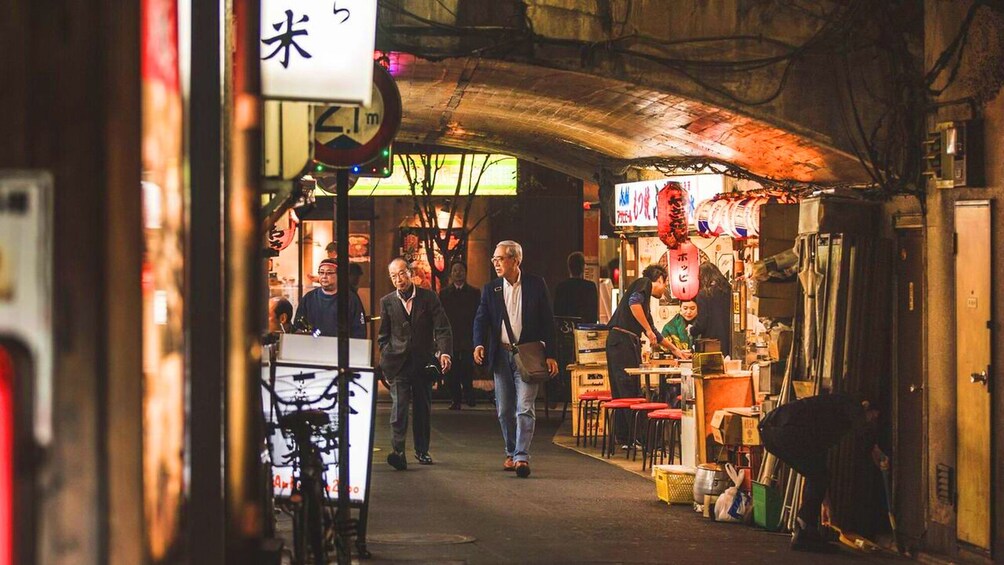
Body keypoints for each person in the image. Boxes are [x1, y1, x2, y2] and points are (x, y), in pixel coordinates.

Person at [758, 393, 887, 551]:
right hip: (785, 429)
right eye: (871, 417)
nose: (870, 421)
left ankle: (805, 529)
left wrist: (825, 503)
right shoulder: (849, 402)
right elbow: (861, 426)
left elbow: (819, 466)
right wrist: (875, 450)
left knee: (816, 473)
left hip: (769, 432)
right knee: (817, 474)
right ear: (866, 406)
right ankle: (804, 527)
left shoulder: (829, 423)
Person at [473, 240, 558, 478]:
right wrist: (478, 343)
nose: (496, 263)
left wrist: (551, 354)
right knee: (504, 409)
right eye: (494, 259)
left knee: (524, 407)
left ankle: (521, 456)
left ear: (515, 260)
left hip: (528, 356)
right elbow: (481, 319)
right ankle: (511, 451)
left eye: (500, 259)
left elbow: (547, 320)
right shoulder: (492, 289)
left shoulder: (535, 284)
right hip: (501, 355)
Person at [378, 258, 453, 469]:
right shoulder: (387, 302)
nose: (398, 280)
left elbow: (442, 328)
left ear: (410, 273)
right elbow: (383, 335)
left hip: (422, 363)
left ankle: (422, 451)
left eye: (401, 274)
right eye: (393, 276)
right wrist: (386, 356)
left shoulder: (429, 298)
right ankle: (398, 451)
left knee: (422, 409)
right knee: (399, 408)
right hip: (398, 364)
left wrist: (444, 354)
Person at [604, 264, 679, 448]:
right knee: (628, 389)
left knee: (621, 391)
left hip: (620, 342)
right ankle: (640, 438)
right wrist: (646, 329)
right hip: (622, 342)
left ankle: (625, 438)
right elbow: (633, 304)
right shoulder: (643, 283)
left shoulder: (645, 305)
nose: (665, 289)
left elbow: (654, 332)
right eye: (665, 284)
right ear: (659, 280)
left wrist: (675, 350)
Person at [439, 261, 480, 409]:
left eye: (461, 270)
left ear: (466, 272)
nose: (458, 273)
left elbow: (478, 315)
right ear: (451, 274)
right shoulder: (444, 294)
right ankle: (455, 399)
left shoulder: (475, 293)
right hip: (451, 336)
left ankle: (469, 394)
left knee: (467, 367)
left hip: (468, 335)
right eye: (455, 270)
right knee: (453, 369)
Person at [293, 258, 366, 338]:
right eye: (321, 273)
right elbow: (298, 326)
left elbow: (359, 330)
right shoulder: (309, 298)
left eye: (329, 273)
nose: (324, 276)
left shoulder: (350, 299)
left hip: (341, 348)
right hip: (313, 346)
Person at [690, 262, 732, 354]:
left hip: (712, 345)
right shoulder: (730, 290)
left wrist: (692, 330)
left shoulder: (704, 294)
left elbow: (702, 322)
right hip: (731, 342)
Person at [552, 251, 598, 324]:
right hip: (584, 331)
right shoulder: (590, 287)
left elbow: (557, 314)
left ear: (569, 267)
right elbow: (592, 316)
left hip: (566, 330)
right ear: (583, 267)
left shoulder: (561, 287)